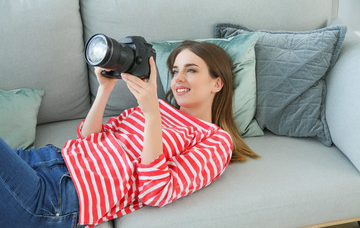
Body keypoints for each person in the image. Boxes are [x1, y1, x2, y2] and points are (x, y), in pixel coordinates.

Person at [0, 40, 258, 228]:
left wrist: (151, 116)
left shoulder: (215, 140)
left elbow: (156, 191)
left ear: (217, 83)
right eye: (176, 70)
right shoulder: (156, 106)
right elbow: (87, 140)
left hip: (57, 197)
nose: (178, 79)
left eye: (191, 70)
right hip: (41, 160)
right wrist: (104, 90)